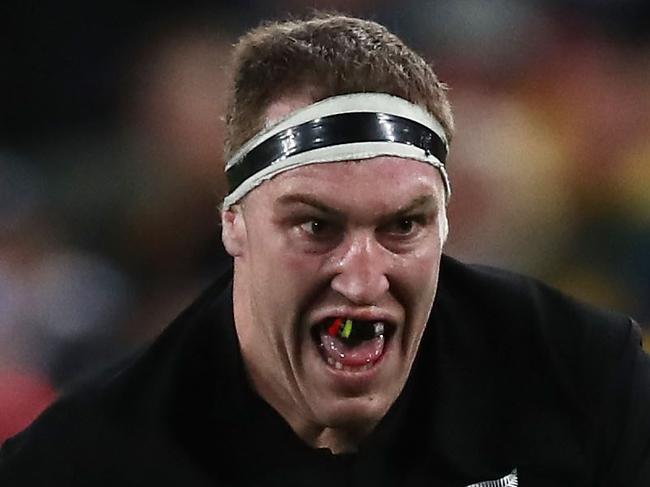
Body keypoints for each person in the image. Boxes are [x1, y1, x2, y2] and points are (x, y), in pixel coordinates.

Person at [2, 13, 650, 487]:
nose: (363, 278)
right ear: (235, 225)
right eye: (316, 226)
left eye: (403, 226)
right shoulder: (90, 459)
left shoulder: (581, 374)